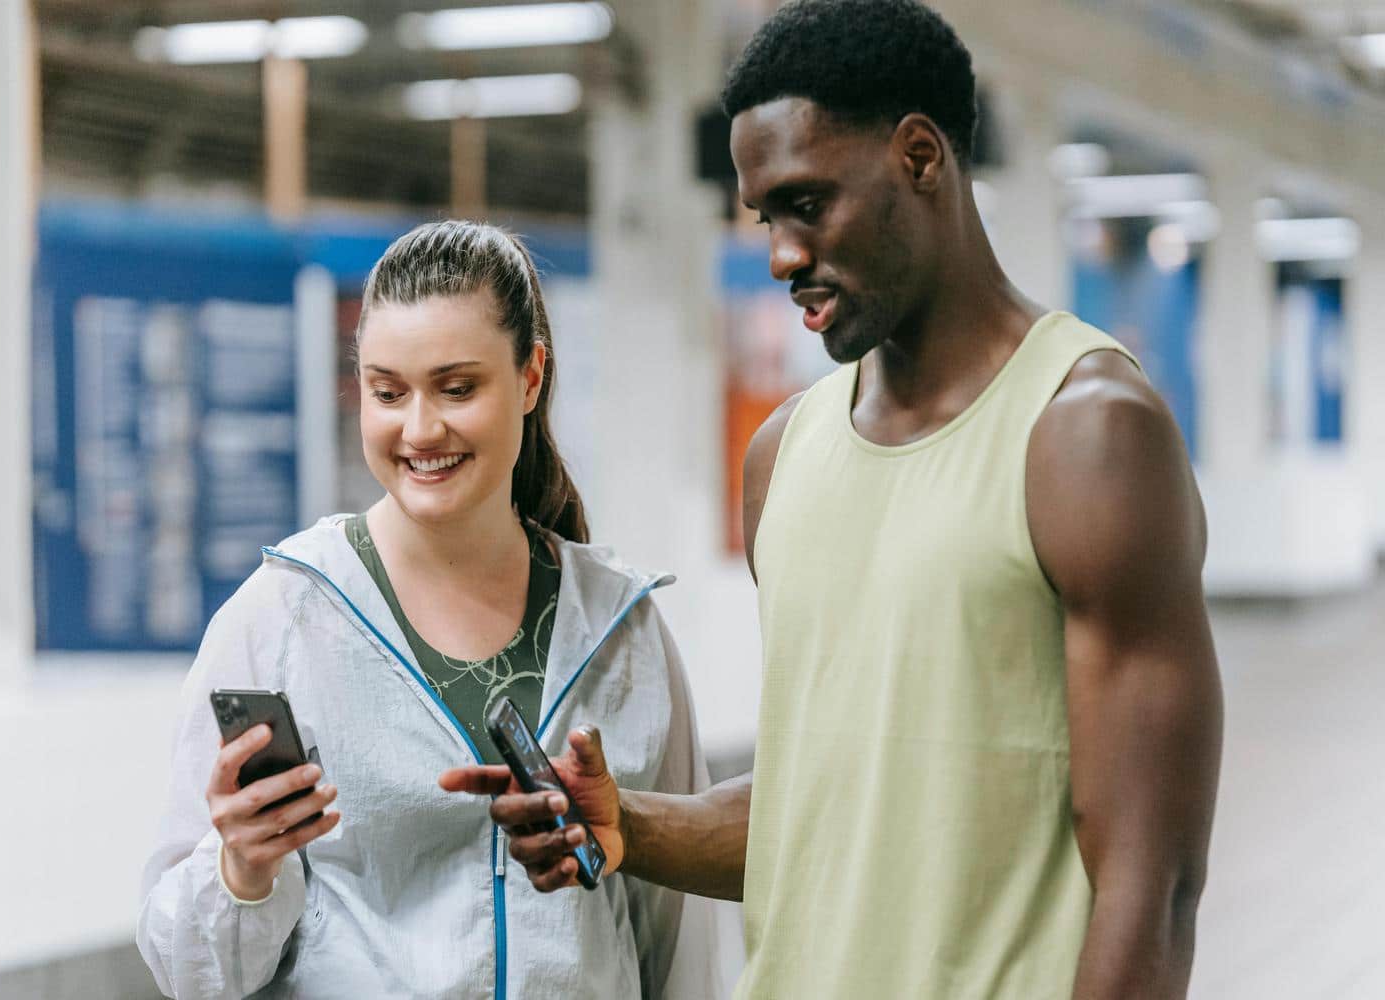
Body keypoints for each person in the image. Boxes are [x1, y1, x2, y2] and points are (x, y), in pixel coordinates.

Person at [441, 2, 1224, 997]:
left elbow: (1150, 888)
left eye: (806, 204)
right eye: (765, 216)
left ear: (918, 157)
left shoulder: (1086, 434)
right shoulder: (783, 458)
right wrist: (629, 824)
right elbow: (827, 810)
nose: (778, 254)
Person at [137, 220, 716, 1000]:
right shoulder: (283, 618)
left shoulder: (621, 627)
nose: (419, 430)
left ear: (532, 377)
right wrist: (242, 869)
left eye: (457, 388)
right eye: (387, 392)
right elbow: (189, 973)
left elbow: (678, 946)